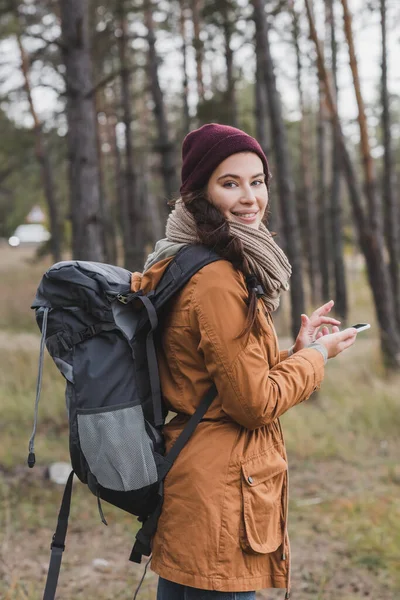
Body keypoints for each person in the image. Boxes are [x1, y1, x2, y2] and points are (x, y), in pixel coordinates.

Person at [132, 124, 357, 599]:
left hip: (195, 482)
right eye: (229, 183)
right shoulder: (216, 278)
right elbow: (253, 403)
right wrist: (317, 359)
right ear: (199, 193)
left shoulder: (186, 258)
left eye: (257, 181)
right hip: (221, 496)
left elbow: (208, 369)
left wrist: (292, 353)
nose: (250, 197)